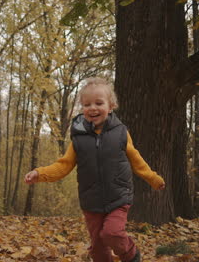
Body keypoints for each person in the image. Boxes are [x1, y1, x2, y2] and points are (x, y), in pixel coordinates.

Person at [24, 77, 165, 262]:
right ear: (82, 108)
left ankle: (131, 254)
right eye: (87, 104)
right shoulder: (78, 138)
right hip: (91, 202)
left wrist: (153, 178)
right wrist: (40, 173)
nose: (92, 108)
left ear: (111, 105)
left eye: (99, 103)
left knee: (111, 233)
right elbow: (63, 165)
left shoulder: (120, 133)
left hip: (118, 197)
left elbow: (136, 160)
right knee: (98, 248)